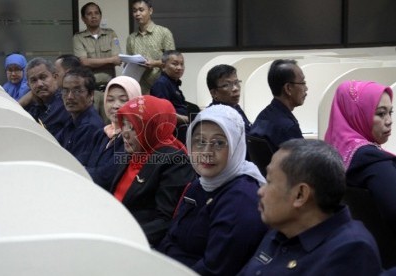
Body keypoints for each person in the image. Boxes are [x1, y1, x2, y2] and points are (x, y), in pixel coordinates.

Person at [238, 139, 382, 276]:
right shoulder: (282, 229)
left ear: (300, 194)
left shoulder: (350, 251)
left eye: (269, 182)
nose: (260, 191)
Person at [158, 105, 268, 276]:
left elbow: (214, 270)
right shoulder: (201, 183)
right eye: (200, 141)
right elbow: (171, 237)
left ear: (235, 146)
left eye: (219, 143)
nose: (207, 152)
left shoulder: (241, 199)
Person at [110, 95, 196, 247]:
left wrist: (122, 238)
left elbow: (164, 220)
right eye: (124, 124)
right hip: (112, 227)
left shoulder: (174, 161)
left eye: (133, 127)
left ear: (152, 128)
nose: (125, 132)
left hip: (136, 242)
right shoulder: (134, 151)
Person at [324, 80, 396, 232]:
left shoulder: (333, 148)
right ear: (355, 114)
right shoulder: (372, 161)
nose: (389, 121)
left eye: (390, 112)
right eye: (380, 113)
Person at [79, 76, 141, 190]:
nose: (115, 106)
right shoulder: (102, 133)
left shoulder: (134, 138)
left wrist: (78, 171)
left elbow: (105, 177)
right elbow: (80, 161)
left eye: (123, 100)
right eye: (110, 99)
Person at [249, 59, 307, 152]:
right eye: (303, 82)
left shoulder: (264, 115)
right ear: (288, 88)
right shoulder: (287, 127)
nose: (306, 88)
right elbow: (301, 164)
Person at [127, 0, 176, 94]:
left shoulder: (164, 32)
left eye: (141, 10)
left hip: (161, 86)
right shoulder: (131, 38)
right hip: (139, 88)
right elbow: (130, 62)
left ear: (150, 11)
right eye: (134, 11)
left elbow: (172, 61)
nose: (137, 14)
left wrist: (154, 63)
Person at [56, 66, 103, 160]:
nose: (69, 97)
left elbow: (75, 165)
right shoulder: (73, 119)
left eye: (77, 91)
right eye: (65, 91)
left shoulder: (90, 126)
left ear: (91, 95)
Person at [73, 2, 121, 90]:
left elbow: (117, 60)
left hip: (109, 87)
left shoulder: (111, 34)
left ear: (100, 16)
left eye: (96, 13)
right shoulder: (78, 38)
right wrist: (110, 60)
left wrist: (92, 63)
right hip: (89, 89)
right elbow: (84, 62)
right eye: (89, 14)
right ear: (83, 19)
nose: (93, 16)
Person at [24, 57, 70, 137]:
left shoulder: (66, 103)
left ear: (55, 77)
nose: (39, 84)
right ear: (29, 86)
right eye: (34, 80)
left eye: (43, 77)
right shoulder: (35, 107)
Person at [150, 50, 190, 143]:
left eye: (182, 64)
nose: (179, 67)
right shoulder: (161, 84)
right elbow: (164, 114)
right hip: (173, 133)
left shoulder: (173, 82)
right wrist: (188, 119)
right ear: (163, 66)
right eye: (175, 64)